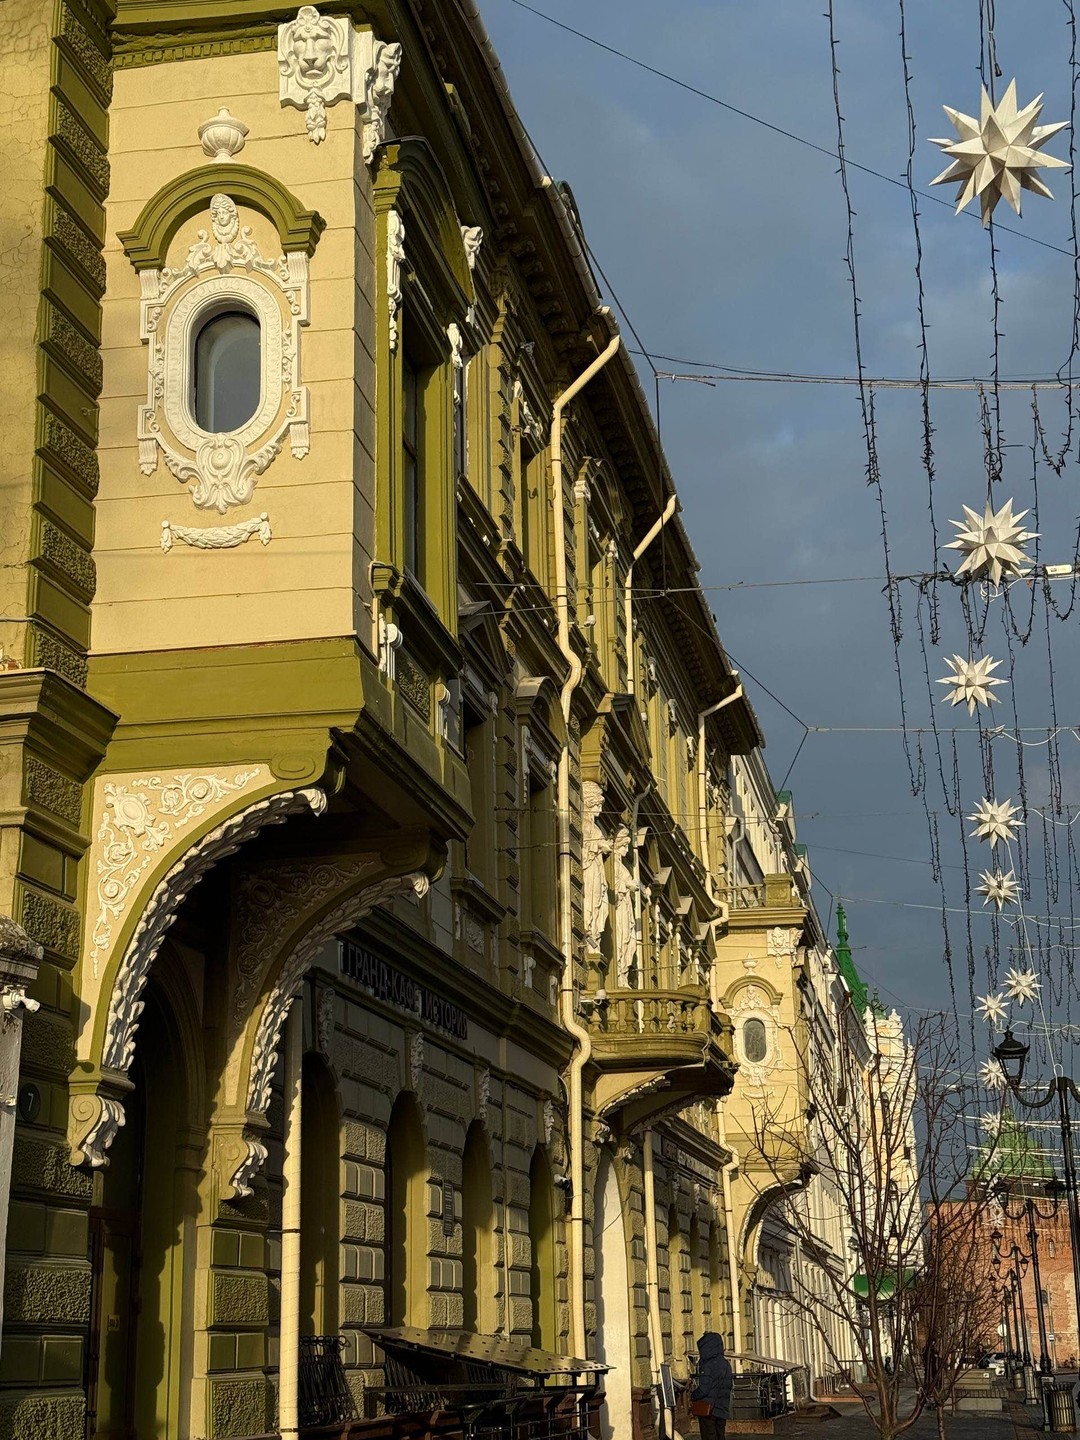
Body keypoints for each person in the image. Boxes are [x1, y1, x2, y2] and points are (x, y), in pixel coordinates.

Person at [692, 1332, 734, 1440]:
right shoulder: (726, 1364)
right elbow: (729, 1385)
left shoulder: (708, 1365)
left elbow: (703, 1390)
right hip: (722, 1409)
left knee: (709, 1436)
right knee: (720, 1436)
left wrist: (692, 1395)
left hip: (708, 1410)